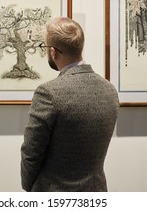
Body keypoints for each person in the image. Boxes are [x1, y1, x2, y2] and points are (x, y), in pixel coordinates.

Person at [20, 17, 119, 192]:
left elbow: (31, 152)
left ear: (53, 52)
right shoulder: (109, 90)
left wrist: (29, 187)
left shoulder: (48, 93)